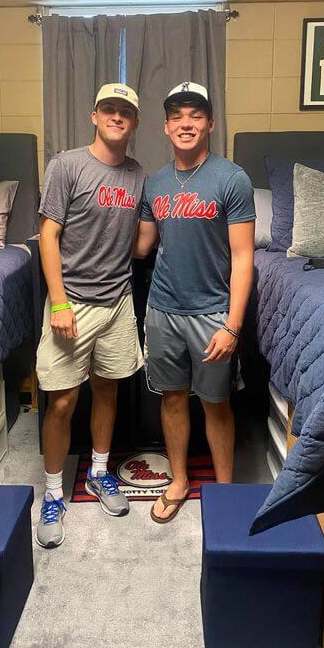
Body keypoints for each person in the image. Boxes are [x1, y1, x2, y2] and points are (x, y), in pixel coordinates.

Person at [134, 82, 255, 523]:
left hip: (212, 313)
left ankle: (225, 493)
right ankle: (179, 480)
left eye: (195, 115)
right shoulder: (156, 182)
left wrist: (232, 325)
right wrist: (93, 228)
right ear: (166, 127)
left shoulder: (231, 178)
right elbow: (142, 246)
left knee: (216, 403)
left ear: (209, 124)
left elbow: (244, 258)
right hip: (163, 309)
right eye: (177, 116)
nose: (186, 123)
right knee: (171, 399)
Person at [35, 83, 146, 548]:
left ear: (134, 122)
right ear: (94, 115)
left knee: (107, 389)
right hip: (73, 302)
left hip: (118, 301)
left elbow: (140, 245)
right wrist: (58, 301)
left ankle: (100, 474)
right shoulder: (67, 165)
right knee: (61, 403)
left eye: (125, 111)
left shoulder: (139, 175)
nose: (117, 117)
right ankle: (53, 495)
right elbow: (47, 235)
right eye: (109, 109)